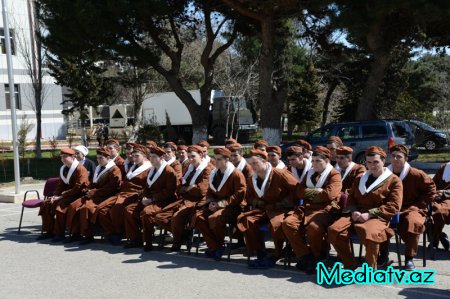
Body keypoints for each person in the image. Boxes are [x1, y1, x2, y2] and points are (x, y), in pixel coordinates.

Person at [328, 146, 403, 270]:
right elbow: (351, 197)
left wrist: (370, 214)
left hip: (378, 216)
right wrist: (353, 210)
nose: (372, 165)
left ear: (383, 161)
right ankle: (349, 264)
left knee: (370, 234)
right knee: (334, 230)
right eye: (368, 162)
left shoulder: (394, 180)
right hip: (357, 214)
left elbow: (394, 205)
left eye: (375, 162)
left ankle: (370, 269)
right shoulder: (360, 178)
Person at [282, 146, 342, 274]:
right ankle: (305, 255)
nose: (314, 164)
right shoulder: (310, 172)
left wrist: (309, 194)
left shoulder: (334, 174)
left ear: (327, 161)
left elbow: (329, 195)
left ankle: (317, 256)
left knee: (313, 228)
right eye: (313, 160)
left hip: (324, 209)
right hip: (306, 208)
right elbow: (299, 191)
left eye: (318, 161)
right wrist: (315, 192)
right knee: (288, 223)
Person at [237, 149, 298, 269]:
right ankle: (260, 252)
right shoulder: (251, 179)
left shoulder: (280, 174)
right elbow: (249, 197)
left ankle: (277, 254)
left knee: (275, 224)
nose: (252, 166)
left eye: (255, 163)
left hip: (281, 209)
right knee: (248, 220)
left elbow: (296, 190)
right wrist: (258, 202)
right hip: (264, 209)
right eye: (251, 164)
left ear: (264, 161)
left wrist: (281, 204)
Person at [383, 144, 436, 270]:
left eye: (399, 157)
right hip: (391, 207)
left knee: (413, 222)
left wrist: (419, 205)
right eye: (393, 156)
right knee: (378, 223)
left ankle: (409, 258)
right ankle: (382, 255)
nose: (395, 159)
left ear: (406, 158)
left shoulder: (416, 174)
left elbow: (431, 189)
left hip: (413, 207)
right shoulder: (385, 174)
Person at [153, 145, 213, 251]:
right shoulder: (190, 168)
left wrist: (187, 188)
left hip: (196, 201)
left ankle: (177, 241)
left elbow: (201, 190)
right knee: (159, 217)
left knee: (176, 217)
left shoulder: (208, 168)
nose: (190, 159)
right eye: (189, 156)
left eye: (193, 156)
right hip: (183, 199)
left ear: (201, 155)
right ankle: (184, 235)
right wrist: (188, 188)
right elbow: (179, 185)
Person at [121, 146, 179, 250]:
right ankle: (136, 239)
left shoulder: (169, 171)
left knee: (146, 213)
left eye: (154, 157)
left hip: (164, 201)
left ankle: (148, 242)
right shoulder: (152, 170)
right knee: (128, 209)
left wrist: (152, 199)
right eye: (150, 157)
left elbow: (169, 192)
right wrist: (145, 197)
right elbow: (147, 187)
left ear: (161, 158)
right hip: (150, 199)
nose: (151, 159)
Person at [194, 147, 246, 260]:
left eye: (218, 159)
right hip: (216, 204)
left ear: (227, 160)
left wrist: (220, 204)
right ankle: (214, 246)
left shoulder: (236, 174)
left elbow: (239, 195)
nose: (215, 161)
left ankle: (219, 246)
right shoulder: (215, 173)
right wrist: (211, 202)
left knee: (215, 218)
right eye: (214, 159)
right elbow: (209, 191)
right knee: (198, 217)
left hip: (232, 207)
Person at [67, 147, 122, 245]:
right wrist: (88, 188)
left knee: (85, 208)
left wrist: (94, 192)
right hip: (95, 194)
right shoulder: (98, 167)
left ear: (108, 158)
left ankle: (88, 235)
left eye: (101, 158)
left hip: (105, 196)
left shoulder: (114, 169)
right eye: (97, 158)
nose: (98, 160)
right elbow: (94, 183)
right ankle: (75, 233)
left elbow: (112, 188)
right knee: (73, 205)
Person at [99, 144, 152, 245]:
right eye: (133, 156)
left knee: (117, 210)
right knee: (102, 209)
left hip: (134, 196)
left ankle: (123, 234)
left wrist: (140, 194)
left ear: (144, 156)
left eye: (137, 156)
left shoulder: (148, 169)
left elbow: (147, 187)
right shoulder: (133, 167)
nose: (134, 158)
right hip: (122, 193)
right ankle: (113, 232)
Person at [37, 148, 89, 242]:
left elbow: (79, 187)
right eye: (61, 157)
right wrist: (55, 195)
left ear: (73, 157)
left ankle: (60, 234)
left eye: (65, 157)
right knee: (45, 204)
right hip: (66, 195)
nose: (63, 159)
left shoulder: (80, 169)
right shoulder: (64, 168)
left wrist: (62, 196)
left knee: (60, 207)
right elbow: (61, 184)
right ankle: (50, 231)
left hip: (78, 195)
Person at [430, 161, 450, 251]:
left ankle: (434, 240)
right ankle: (439, 235)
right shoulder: (445, 167)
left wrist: (445, 193)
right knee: (421, 211)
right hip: (438, 198)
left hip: (448, 200)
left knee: (439, 211)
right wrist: (434, 193)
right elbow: (433, 183)